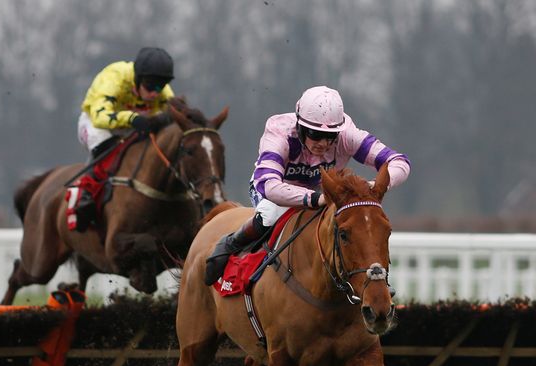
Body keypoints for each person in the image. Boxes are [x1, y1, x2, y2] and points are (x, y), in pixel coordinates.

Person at [204, 86, 411, 285]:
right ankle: (231, 244)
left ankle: (369, 280)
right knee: (269, 214)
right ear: (300, 127)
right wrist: (314, 198)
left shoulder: (347, 134)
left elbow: (399, 162)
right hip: (275, 191)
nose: (323, 143)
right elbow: (269, 185)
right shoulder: (280, 132)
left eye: (330, 136)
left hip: (323, 191)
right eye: (315, 134)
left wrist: (371, 187)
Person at [69, 47, 176, 231]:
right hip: (96, 123)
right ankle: (85, 195)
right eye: (150, 86)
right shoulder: (114, 77)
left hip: (130, 126)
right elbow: (100, 116)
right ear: (137, 78)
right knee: (103, 143)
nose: (155, 93)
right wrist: (132, 118)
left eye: (161, 86)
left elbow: (174, 116)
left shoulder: (163, 92)